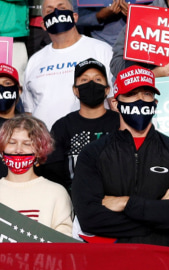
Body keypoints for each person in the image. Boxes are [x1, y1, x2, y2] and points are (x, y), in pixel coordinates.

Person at [71, 66, 169, 246]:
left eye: (147, 94)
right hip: (114, 265)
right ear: (115, 104)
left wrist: (126, 203)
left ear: (154, 103)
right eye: (132, 94)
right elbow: (89, 218)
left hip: (165, 263)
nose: (140, 100)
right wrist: (159, 208)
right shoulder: (92, 153)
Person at [0, 113, 72, 242]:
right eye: (12, 142)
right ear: (1, 148)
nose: (18, 149)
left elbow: (64, 248)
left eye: (27, 143)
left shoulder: (57, 193)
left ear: (39, 150)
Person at [21, 0, 114, 127]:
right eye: (49, 11)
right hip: (45, 143)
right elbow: (29, 111)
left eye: (61, 7)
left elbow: (114, 99)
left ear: (75, 17)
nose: (56, 13)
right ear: (43, 25)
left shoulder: (101, 50)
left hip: (92, 141)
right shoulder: (35, 60)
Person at [41, 58, 119, 189]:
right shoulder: (62, 126)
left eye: (98, 79)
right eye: (84, 80)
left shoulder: (120, 122)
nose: (91, 84)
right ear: (75, 90)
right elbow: (53, 173)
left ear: (107, 90)